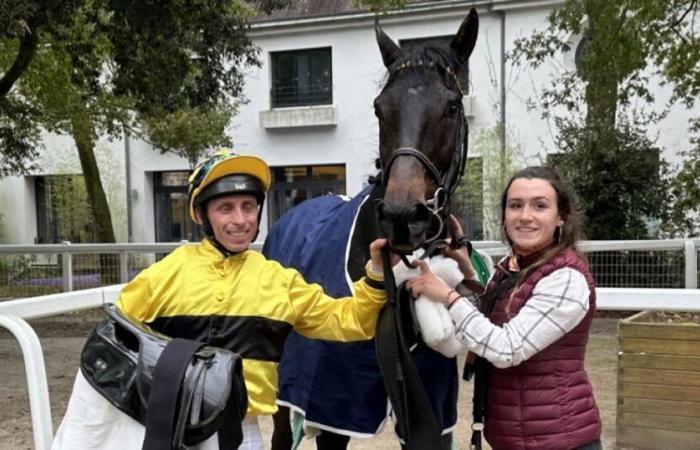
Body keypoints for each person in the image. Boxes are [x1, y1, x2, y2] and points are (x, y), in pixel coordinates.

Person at [52, 149, 395, 450]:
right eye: (226, 208)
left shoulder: (280, 281)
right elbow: (115, 341)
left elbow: (351, 321)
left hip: (244, 435)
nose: (240, 220)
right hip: (169, 431)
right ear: (201, 215)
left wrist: (376, 275)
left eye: (249, 207)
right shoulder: (163, 276)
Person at [408, 166, 603, 450]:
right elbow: (489, 318)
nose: (525, 216)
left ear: (561, 217)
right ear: (504, 216)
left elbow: (506, 348)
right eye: (515, 206)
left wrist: (449, 297)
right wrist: (464, 269)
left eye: (539, 205)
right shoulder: (517, 267)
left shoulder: (565, 278)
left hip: (558, 439)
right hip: (518, 436)